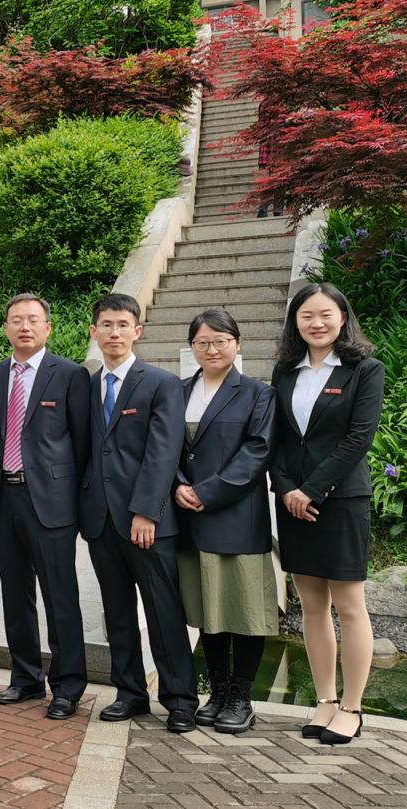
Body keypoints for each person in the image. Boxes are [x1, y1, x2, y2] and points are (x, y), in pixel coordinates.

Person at [271, 283, 384, 746]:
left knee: (349, 606)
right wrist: (286, 488)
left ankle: (352, 708)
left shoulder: (364, 369)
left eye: (325, 314)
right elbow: (277, 438)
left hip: (339, 501)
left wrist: (312, 490)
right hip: (294, 502)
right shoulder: (285, 371)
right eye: (306, 316)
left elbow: (359, 438)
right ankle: (325, 701)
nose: (316, 323)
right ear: (295, 322)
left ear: (343, 317)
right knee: (312, 606)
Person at [80, 293, 196, 733]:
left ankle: (180, 699)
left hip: (147, 521)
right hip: (100, 520)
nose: (115, 333)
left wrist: (146, 512)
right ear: (94, 331)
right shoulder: (86, 385)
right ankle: (130, 693)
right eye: (106, 325)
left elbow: (163, 453)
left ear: (137, 331)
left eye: (123, 325)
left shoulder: (161, 383)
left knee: (163, 611)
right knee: (118, 613)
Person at [0, 293, 91, 720]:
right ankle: (25, 677)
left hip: (50, 502)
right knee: (15, 593)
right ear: (6, 328)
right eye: (16, 320)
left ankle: (67, 686)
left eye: (33, 319)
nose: (24, 326)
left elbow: (82, 444)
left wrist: (77, 503)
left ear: (48, 327)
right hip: (4, 497)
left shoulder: (70, 374)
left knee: (59, 594)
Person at [174, 308, 278, 735]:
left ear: (237, 344)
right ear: (192, 347)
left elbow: (257, 451)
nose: (212, 349)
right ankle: (217, 692)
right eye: (202, 342)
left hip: (237, 519)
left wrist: (207, 492)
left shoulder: (257, 393)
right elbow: (164, 446)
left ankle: (241, 697)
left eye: (220, 341)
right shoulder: (178, 391)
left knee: (246, 612)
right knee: (209, 610)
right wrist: (177, 485)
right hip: (189, 520)